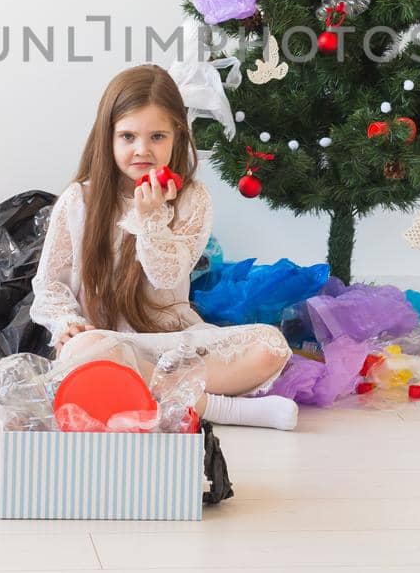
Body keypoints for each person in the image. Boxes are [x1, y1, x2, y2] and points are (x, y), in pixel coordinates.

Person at [30, 64, 298, 430]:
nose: (143, 150)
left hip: (171, 341)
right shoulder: (79, 200)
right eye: (127, 137)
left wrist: (152, 219)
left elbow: (166, 274)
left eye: (157, 136)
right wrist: (67, 323)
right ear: (106, 139)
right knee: (83, 351)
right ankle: (215, 408)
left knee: (272, 346)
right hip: (107, 342)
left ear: (177, 136)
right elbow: (50, 284)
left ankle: (155, 391)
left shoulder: (192, 200)